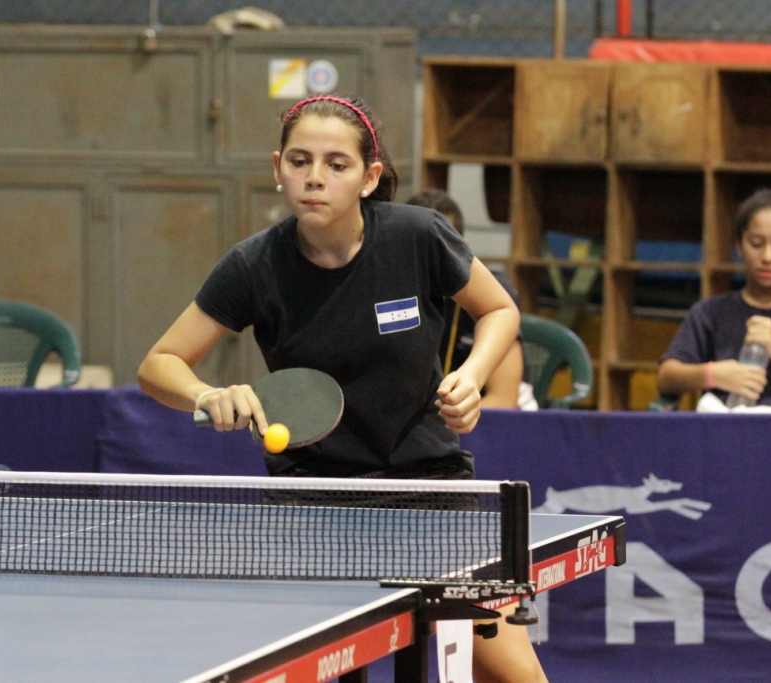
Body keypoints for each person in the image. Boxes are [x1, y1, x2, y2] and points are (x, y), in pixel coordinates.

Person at [137, 94, 545, 682]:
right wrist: (205, 395)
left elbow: (499, 309)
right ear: (278, 167)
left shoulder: (416, 236)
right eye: (299, 161)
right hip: (312, 500)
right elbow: (160, 363)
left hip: (427, 488)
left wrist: (471, 376)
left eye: (336, 164)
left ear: (368, 177)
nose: (314, 178)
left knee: (511, 672)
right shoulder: (255, 265)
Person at [657, 187, 771, 407]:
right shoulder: (710, 313)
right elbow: (666, 378)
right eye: (756, 244)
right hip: (725, 422)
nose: (768, 257)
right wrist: (712, 374)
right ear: (739, 246)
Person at [407, 188, 528, 409]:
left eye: (438, 250)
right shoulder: (392, 288)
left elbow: (503, 400)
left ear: (460, 248)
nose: (427, 261)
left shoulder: (493, 294)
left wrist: (441, 420)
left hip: (495, 417)